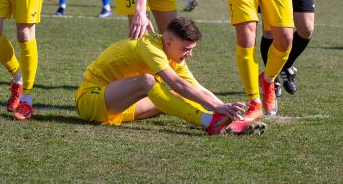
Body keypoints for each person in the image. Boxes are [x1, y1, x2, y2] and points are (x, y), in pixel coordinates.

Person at [74, 17, 266, 135]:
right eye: (185, 49)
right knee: (148, 81)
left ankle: (218, 122)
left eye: (192, 49)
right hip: (92, 100)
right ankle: (207, 122)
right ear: (168, 41)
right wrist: (215, 108)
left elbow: (196, 88)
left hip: (121, 108)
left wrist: (227, 112)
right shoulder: (150, 46)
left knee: (178, 95)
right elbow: (176, 82)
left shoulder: (174, 56)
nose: (189, 54)